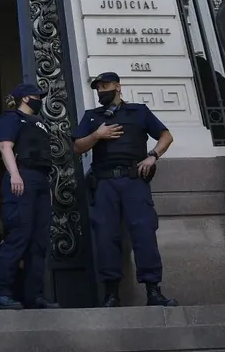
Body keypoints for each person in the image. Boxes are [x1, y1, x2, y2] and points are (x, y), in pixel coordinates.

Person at [73, 72, 178, 308]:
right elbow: (78, 147)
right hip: (104, 184)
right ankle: (111, 294)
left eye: (106, 85)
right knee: (106, 236)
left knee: (143, 233)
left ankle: (154, 291)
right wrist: (97, 135)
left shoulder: (138, 111)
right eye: (98, 87)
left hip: (134, 181)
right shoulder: (92, 117)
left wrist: (153, 156)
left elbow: (166, 136)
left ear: (118, 86)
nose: (101, 90)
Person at [0, 83, 60, 310]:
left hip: (40, 181)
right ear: (25, 98)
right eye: (36, 95)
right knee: (18, 236)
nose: (40, 99)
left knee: (38, 242)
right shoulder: (11, 117)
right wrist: (15, 175)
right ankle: (2, 293)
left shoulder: (40, 124)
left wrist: (47, 188)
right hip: (22, 178)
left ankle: (34, 295)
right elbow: (5, 146)